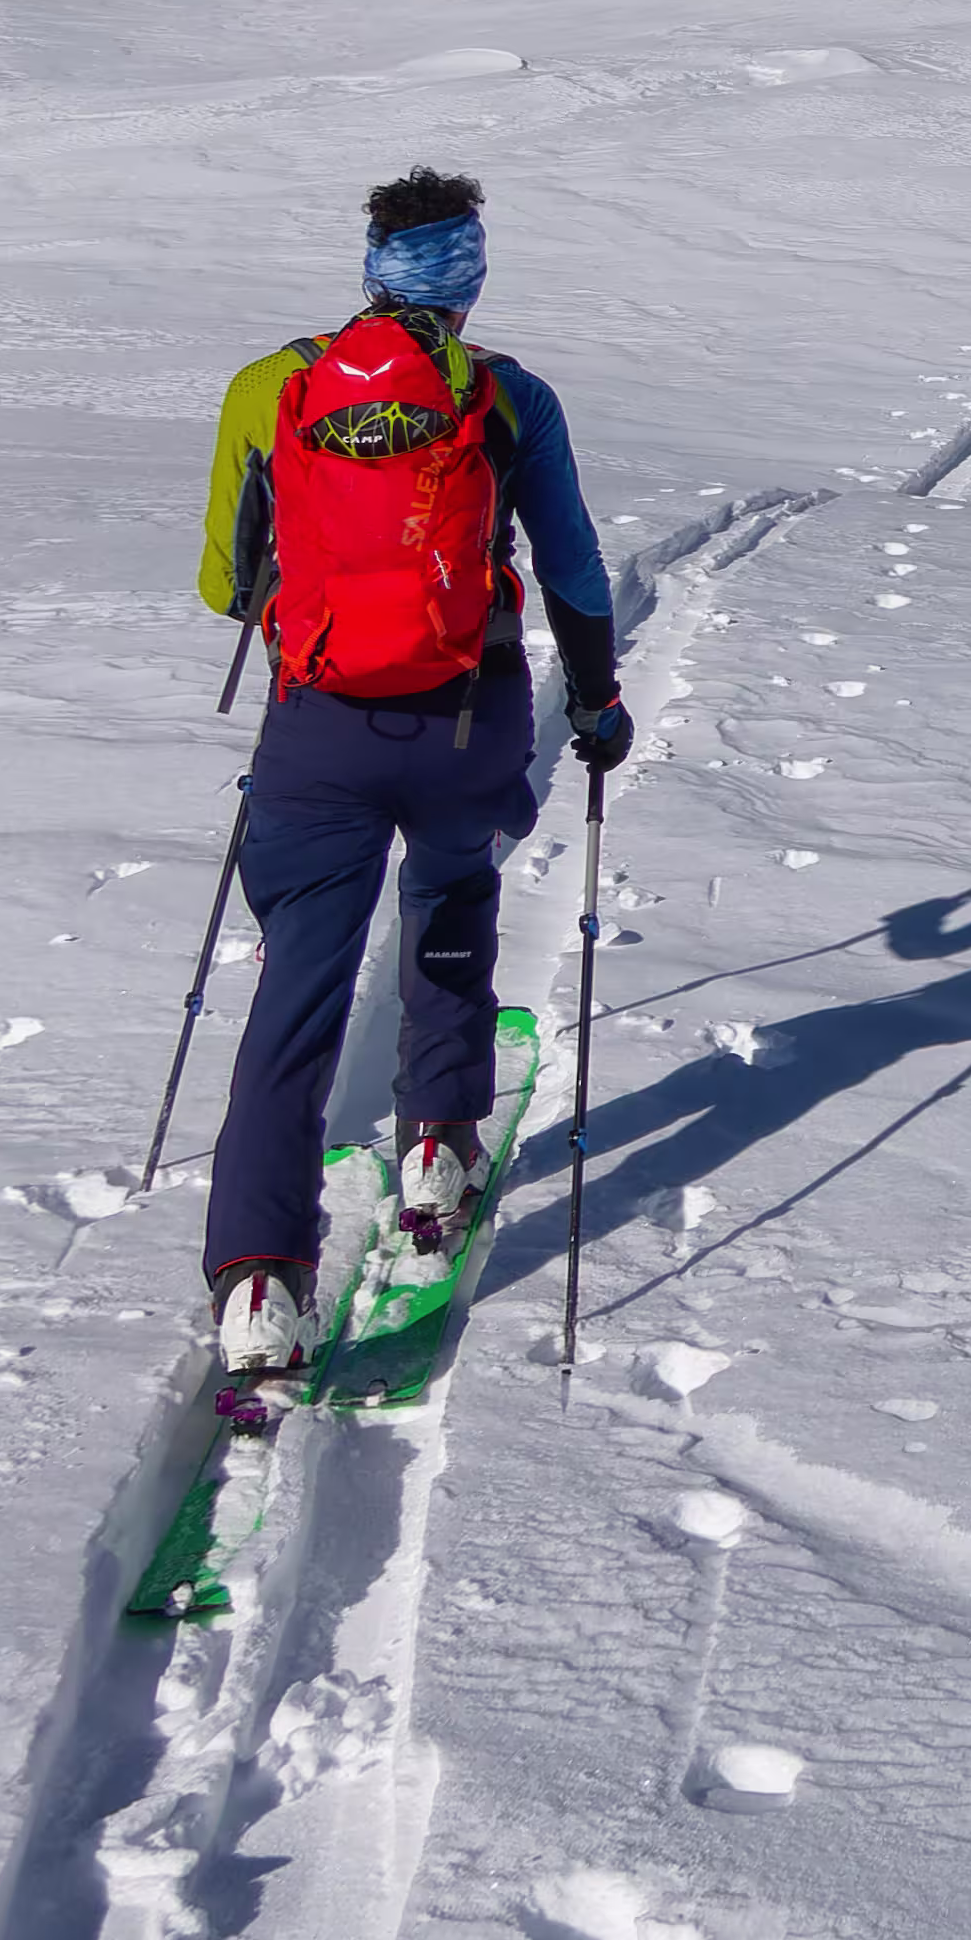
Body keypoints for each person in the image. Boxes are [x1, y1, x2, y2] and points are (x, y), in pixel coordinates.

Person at [188, 167, 631, 1410]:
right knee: (449, 900)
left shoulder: (272, 388)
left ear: (371, 263)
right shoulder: (508, 397)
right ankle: (438, 1142)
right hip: (464, 718)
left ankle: (261, 1284)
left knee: (298, 990)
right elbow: (576, 569)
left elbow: (227, 580)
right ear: (469, 277)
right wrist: (594, 703)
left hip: (316, 726)